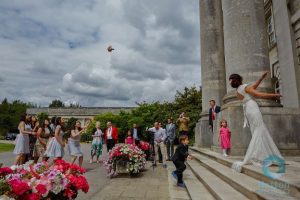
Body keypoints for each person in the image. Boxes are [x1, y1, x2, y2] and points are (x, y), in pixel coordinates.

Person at [229, 72, 283, 172]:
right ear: (240, 78)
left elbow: (253, 87)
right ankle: (259, 156)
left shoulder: (238, 91)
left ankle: (262, 155)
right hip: (253, 108)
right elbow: (258, 94)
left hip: (248, 110)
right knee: (259, 131)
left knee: (257, 132)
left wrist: (261, 78)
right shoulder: (245, 87)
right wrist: (274, 95)